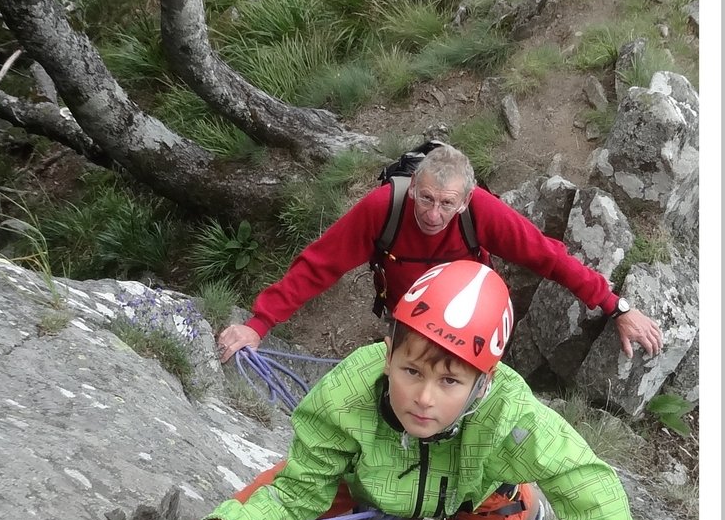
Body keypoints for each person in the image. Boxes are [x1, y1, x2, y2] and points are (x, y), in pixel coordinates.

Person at [128, 260, 633, 520]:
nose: (423, 399)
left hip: (465, 486)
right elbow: (293, 497)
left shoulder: (512, 421)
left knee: (510, 519)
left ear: (484, 381)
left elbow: (603, 505)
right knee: (285, 498)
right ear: (387, 351)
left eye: (450, 383)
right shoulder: (348, 395)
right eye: (410, 371)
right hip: (370, 476)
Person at [215, 143, 663, 363]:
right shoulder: (384, 207)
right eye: (425, 199)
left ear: (466, 201)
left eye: (447, 204)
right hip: (407, 316)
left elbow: (548, 257)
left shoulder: (482, 212)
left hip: (471, 320)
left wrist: (615, 306)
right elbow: (319, 265)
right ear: (413, 190)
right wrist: (258, 324)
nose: (433, 213)